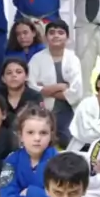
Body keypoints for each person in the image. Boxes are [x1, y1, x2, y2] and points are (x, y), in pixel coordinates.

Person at [28, 20, 83, 149]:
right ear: (45, 37)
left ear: (67, 37)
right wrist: (61, 87)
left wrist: (45, 89)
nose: (56, 36)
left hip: (67, 111)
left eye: (60, 32)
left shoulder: (73, 59)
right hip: (43, 110)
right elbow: (31, 87)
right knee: (41, 143)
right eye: (52, 32)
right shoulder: (37, 59)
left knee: (69, 144)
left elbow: (76, 92)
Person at [0, 58, 44, 132]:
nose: (14, 75)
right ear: (3, 78)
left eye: (18, 72)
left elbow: (39, 121)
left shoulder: (35, 96)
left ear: (26, 76)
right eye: (9, 73)